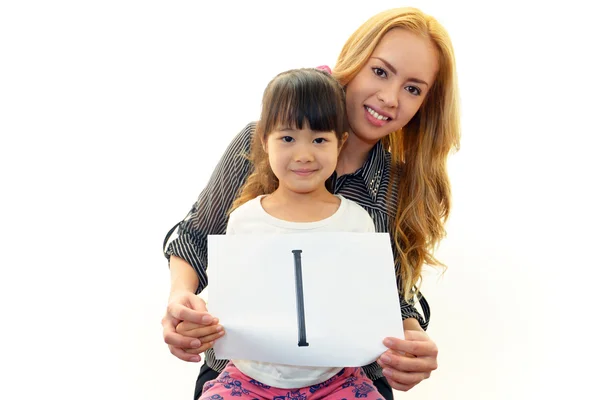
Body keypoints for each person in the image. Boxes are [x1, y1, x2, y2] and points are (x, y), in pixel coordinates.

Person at [162, 6, 460, 400]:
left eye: (413, 88)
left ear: (425, 104)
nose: (389, 97)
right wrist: (180, 302)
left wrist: (410, 335)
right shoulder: (261, 144)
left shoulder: (399, 184)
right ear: (353, 64)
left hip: (351, 381)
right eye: (380, 71)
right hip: (242, 379)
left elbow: (391, 288)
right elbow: (197, 236)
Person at [179, 67, 384, 400]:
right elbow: (230, 300)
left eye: (319, 140)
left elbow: (364, 304)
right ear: (264, 141)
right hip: (248, 377)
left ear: (340, 143)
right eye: (287, 138)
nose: (303, 154)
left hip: (335, 378)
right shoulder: (245, 220)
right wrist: (201, 318)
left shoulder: (357, 221)